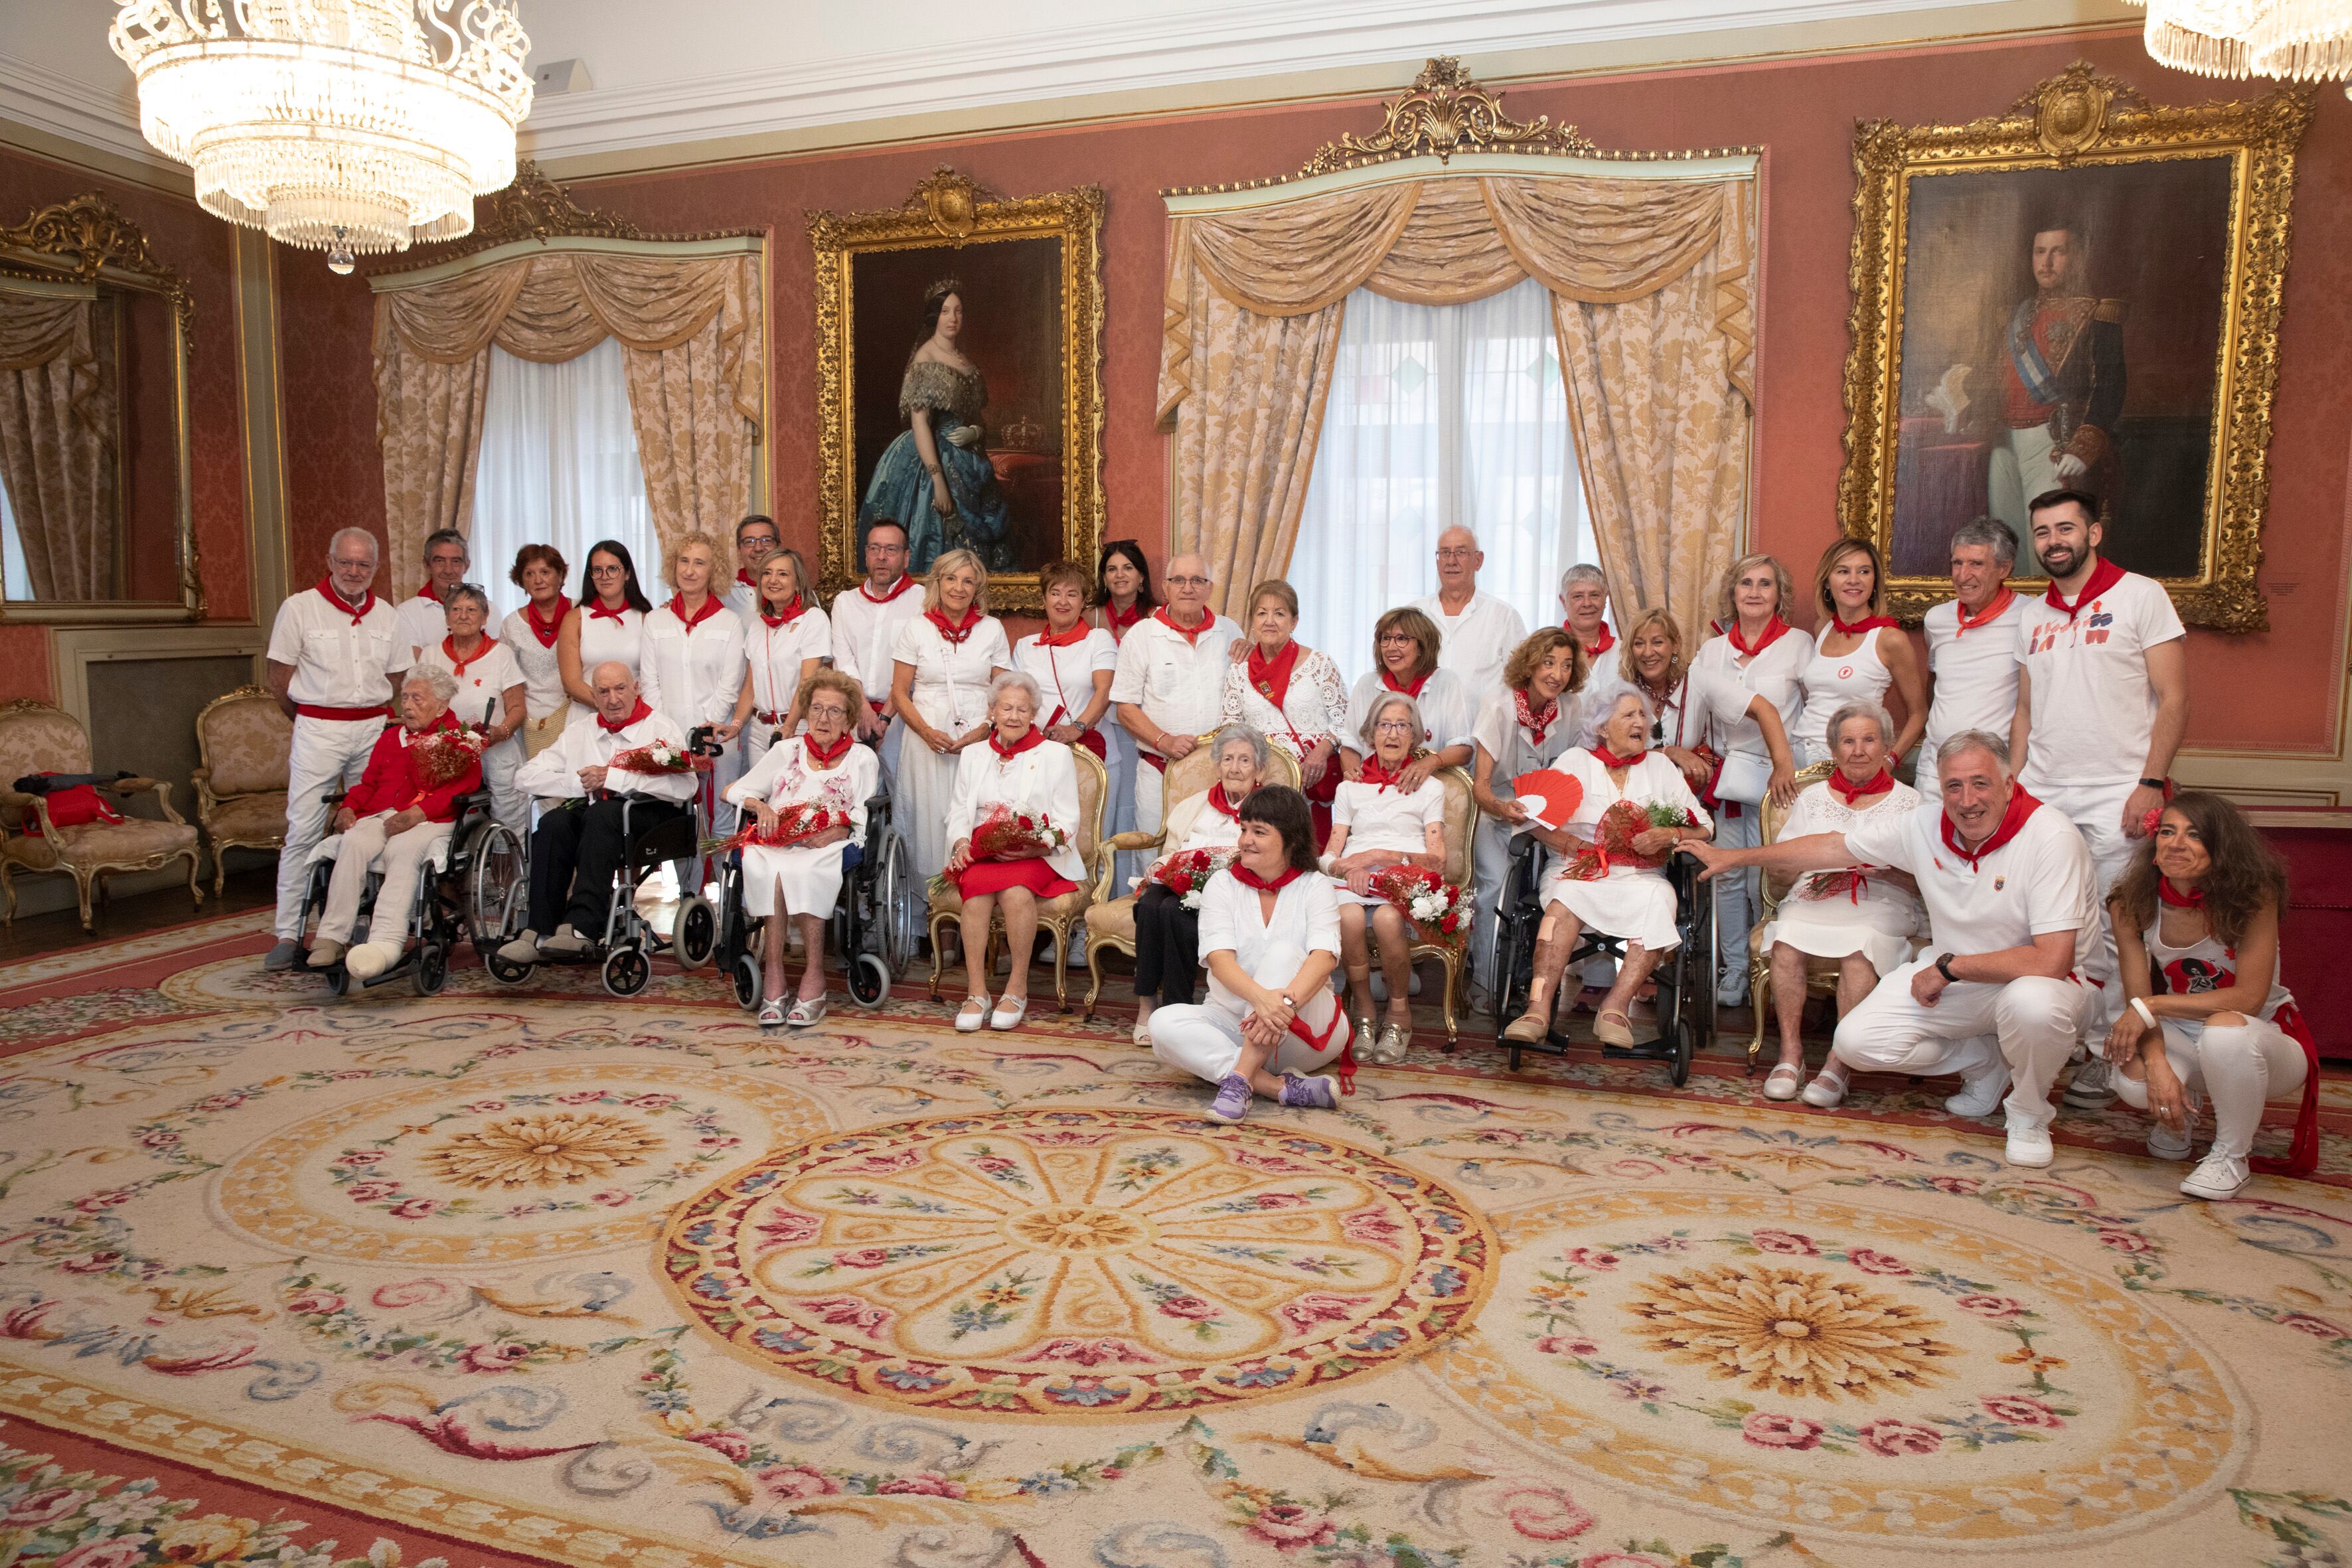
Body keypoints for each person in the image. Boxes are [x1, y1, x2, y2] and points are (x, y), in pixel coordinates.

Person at [1687, 730, 2098, 1168]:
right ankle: (1983, 1062)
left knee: (2031, 1005)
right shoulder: (1924, 825)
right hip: (1960, 980)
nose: (1966, 800)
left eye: (1980, 783)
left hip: (2043, 982)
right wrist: (1736, 857)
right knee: (1855, 1043)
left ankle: (2029, 1112)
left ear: (2008, 784)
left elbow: (2051, 960)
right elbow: (1832, 845)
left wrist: (1948, 968)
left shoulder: (2050, 835)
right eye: (1953, 787)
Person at [2011, 487, 2188, 1107]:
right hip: (2045, 792)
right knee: (2055, 923)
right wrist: (2015, 785)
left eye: (2065, 529)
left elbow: (2172, 698)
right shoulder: (2030, 616)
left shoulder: (2140, 595)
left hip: (2119, 792)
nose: (2052, 541)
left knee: (2119, 930)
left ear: (2093, 533)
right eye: (2041, 532)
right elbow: (2025, 710)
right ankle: (2061, 1042)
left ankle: (2105, 1054)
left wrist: (2149, 784)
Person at [2107, 791, 2318, 1198]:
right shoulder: (2130, 904)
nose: (2176, 843)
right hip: (2184, 1033)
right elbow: (2138, 1004)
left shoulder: (2254, 897)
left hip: (2264, 1038)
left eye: (2195, 835)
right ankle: (2182, 1111)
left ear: (2221, 849)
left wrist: (2153, 1004)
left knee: (2225, 1030)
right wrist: (2157, 1065)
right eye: (2167, 831)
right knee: (2132, 1079)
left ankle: (2231, 1155)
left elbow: (2248, 1000)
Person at [1502, 689, 1713, 1050]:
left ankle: (1615, 1008)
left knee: (1662, 899)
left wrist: (1669, 833)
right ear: (1602, 728)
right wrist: (1573, 846)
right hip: (1578, 867)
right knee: (1561, 904)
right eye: (1629, 715)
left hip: (1639, 874)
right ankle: (1537, 1010)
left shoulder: (1661, 768)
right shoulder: (1574, 761)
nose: (1640, 723)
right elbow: (1532, 820)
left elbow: (1705, 826)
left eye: (1643, 717)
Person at [1753, 702, 1924, 1103]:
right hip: (1815, 894)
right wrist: (1783, 868)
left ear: (1887, 746)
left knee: (1859, 945)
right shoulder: (1811, 800)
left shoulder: (1911, 803)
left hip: (1882, 899)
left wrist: (1888, 872)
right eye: (1848, 741)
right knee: (1788, 937)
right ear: (1834, 749)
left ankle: (1839, 1061)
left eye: (1869, 740)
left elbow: (1924, 880)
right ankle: (1791, 1053)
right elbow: (1785, 864)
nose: (1859, 750)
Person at [1147, 783, 1345, 1123]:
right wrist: (1262, 1000)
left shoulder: (1316, 886)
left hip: (1303, 1025)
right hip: (1234, 1022)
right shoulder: (1222, 884)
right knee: (1162, 1024)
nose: (1244, 840)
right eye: (1243, 829)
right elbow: (1219, 959)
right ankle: (1275, 1086)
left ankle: (1238, 1081)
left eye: (1259, 832)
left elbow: (1324, 957)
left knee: (1283, 952)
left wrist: (1280, 1005)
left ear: (1292, 840)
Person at [260, 527, 410, 972]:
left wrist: (372, 717)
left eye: (364, 565)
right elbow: (277, 678)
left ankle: (355, 927)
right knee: (304, 829)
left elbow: (398, 679)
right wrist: (311, 721)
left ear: (375, 569)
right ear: (329, 561)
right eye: (346, 562)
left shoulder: (387, 616)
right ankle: (289, 933)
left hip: (373, 730)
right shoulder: (299, 608)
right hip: (318, 729)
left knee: (372, 827)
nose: (354, 572)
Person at [500, 662, 698, 961]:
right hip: (595, 812)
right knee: (555, 821)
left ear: (635, 689)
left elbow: (686, 786)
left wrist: (614, 778)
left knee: (603, 814)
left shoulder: (660, 728)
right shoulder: (581, 730)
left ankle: (582, 927)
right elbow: (525, 776)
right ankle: (538, 930)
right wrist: (581, 783)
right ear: (594, 695)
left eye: (620, 689)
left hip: (650, 815)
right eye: (603, 692)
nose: (612, 699)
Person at [1689, 554, 1816, 1005]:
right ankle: (1735, 970)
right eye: (1746, 582)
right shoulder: (1711, 651)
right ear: (1732, 593)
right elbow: (1699, 720)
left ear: (1779, 594)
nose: (1755, 591)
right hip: (1728, 781)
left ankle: (1773, 964)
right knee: (1726, 877)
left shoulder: (1799, 644)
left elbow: (1813, 709)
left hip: (1781, 782)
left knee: (1772, 874)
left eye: (1765, 583)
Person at [722, 670, 879, 1028]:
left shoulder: (862, 759)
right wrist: (760, 806)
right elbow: (731, 791)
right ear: (806, 712)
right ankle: (774, 973)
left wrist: (837, 829)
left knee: (805, 869)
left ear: (849, 720)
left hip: (830, 843)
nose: (824, 718)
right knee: (764, 865)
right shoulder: (785, 750)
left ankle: (814, 976)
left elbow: (863, 814)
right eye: (817, 708)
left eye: (835, 711)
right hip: (778, 841)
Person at [305, 666, 483, 979]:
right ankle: (331, 937)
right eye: (405, 697)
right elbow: (368, 783)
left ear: (441, 706)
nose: (408, 705)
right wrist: (349, 808)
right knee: (355, 841)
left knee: (402, 849)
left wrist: (419, 813)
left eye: (418, 698)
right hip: (381, 814)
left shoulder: (459, 739)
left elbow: (463, 788)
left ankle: (385, 941)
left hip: (430, 820)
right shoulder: (391, 737)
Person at [943, 672, 1085, 1032]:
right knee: (974, 897)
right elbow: (960, 810)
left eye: (1023, 709)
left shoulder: (1055, 755)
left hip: (1037, 856)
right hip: (984, 851)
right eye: (1006, 707)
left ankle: (1016, 988)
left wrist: (1033, 847)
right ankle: (976, 993)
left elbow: (1068, 819)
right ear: (992, 710)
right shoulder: (974, 754)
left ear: (1034, 714)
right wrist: (961, 843)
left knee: (1016, 893)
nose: (1014, 716)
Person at [1979, 220, 2124, 551]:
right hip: (2005, 443)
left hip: (2054, 443)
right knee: (2006, 544)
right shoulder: (2013, 316)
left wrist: (2084, 447)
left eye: (2057, 252)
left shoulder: (2097, 314)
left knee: (2043, 549)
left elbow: (2110, 387)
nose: (2046, 263)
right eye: (2039, 252)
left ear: (2078, 258)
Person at [1326, 691, 1451, 1065]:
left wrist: (1380, 857)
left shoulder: (1430, 788)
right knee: (1347, 917)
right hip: (1355, 878)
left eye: (1402, 725)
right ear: (1371, 735)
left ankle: (1399, 1016)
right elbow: (1330, 855)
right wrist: (1348, 869)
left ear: (1415, 737)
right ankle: (1364, 1012)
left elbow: (1438, 860)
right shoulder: (1348, 788)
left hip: (1404, 875)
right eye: (1384, 725)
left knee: (1384, 918)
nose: (1392, 733)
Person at [858, 277, 1014, 573]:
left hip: (971, 460)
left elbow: (977, 418)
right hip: (930, 460)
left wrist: (975, 432)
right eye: (944, 311)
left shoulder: (965, 360)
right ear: (934, 316)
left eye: (958, 311)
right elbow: (920, 424)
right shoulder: (925, 358)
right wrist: (939, 482)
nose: (952, 318)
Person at [1467, 627, 1587, 1003]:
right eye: (1548, 662)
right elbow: (1480, 786)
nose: (1557, 674)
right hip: (1498, 809)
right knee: (1495, 892)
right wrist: (1503, 809)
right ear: (1530, 664)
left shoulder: (1571, 708)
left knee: (1558, 886)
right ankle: (1486, 983)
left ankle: (1532, 982)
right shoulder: (1499, 704)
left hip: (1550, 814)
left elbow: (1574, 770)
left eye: (1566, 666)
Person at [1131, 724, 1267, 1044]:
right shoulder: (1194, 804)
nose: (1235, 768)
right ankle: (1146, 1005)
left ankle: (1176, 1010)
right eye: (1228, 759)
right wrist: (1160, 866)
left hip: (1237, 895)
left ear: (1259, 767)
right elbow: (1172, 851)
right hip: (1184, 886)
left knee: (1172, 912)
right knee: (1151, 903)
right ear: (1217, 765)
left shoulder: (1269, 809)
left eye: (1244, 760)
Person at [892, 548, 1013, 885]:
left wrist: (983, 731)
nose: (959, 588)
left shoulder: (993, 629)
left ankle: (976, 904)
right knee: (927, 822)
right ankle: (928, 914)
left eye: (968, 581)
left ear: (978, 589)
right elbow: (900, 693)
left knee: (978, 815)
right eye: (951, 579)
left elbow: (1003, 690)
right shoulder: (916, 628)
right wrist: (927, 732)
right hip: (924, 738)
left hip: (979, 740)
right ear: (938, 582)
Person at [1111, 552, 1244, 845]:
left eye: (1198, 580)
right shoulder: (1141, 636)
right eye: (1179, 580)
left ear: (1210, 588)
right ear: (1166, 587)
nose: (1188, 588)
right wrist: (1164, 741)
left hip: (1219, 773)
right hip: (1160, 772)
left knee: (1217, 854)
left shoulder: (1230, 631)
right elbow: (1125, 708)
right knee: (1155, 856)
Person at [1219, 580, 1348, 837]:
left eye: (1279, 613)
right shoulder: (1239, 670)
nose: (1270, 621)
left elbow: (1345, 722)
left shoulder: (1320, 664)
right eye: (1262, 613)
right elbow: (1230, 729)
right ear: (1252, 620)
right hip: (1261, 785)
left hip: (1311, 782)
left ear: (1294, 621)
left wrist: (1321, 752)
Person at [1790, 539, 1924, 767]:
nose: (1854, 580)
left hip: (1849, 761)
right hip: (1799, 751)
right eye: (1843, 571)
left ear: (1874, 582)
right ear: (1827, 583)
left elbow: (1919, 714)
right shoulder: (1822, 628)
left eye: (1864, 571)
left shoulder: (1890, 639)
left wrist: (1890, 762)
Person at [417, 584, 526, 838]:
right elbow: (418, 707)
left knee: (507, 825)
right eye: (455, 609)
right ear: (446, 617)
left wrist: (503, 731)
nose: (463, 616)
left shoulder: (501, 655)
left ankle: (509, 873)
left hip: (496, 749)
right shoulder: (430, 655)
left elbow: (518, 707)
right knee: (445, 822)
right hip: (445, 755)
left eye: (471, 610)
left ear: (485, 617)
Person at [1920, 518, 2024, 768]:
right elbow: (1934, 682)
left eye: (1976, 564)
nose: (1963, 575)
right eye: (1957, 563)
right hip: (1935, 766)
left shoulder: (2029, 617)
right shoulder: (1936, 619)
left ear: (2004, 569)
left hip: (1992, 768)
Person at [1087, 540, 1157, 887]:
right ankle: (1102, 895)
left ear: (1142, 577)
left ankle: (1132, 888)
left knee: (1134, 808)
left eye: (1128, 568)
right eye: (1112, 569)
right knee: (1103, 809)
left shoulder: (1158, 618)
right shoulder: (1090, 618)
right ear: (1103, 577)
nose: (1120, 575)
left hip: (1143, 726)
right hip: (1099, 728)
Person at [1340, 607, 1474, 789]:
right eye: (1385, 639)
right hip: (1373, 789)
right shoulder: (1367, 684)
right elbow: (1350, 744)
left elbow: (1463, 749)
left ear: (1422, 646)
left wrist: (1428, 763)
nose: (1391, 647)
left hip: (1425, 790)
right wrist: (1356, 783)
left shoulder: (1446, 682)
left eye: (1402, 639)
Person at [830, 518, 923, 772]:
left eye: (891, 550)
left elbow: (915, 666)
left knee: (901, 800)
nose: (881, 557)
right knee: (853, 796)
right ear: (866, 555)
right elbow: (844, 662)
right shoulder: (845, 602)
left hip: (903, 717)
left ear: (906, 557)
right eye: (874, 549)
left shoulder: (923, 601)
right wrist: (864, 711)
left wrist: (884, 718)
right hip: (853, 715)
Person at [734, 548, 831, 768]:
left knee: (792, 798)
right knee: (760, 798)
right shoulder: (759, 624)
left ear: (798, 583)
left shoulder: (813, 619)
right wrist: (736, 725)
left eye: (783, 574)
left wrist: (790, 726)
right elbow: (750, 686)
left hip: (798, 728)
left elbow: (807, 682)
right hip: (759, 732)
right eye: (767, 573)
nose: (773, 580)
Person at [1012, 560, 1117, 761]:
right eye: (1055, 593)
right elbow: (1015, 699)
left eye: (1072, 594)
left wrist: (1075, 729)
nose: (1063, 601)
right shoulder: (1025, 647)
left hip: (1092, 754)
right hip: (1040, 754)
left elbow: (1105, 690)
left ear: (1084, 601)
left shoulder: (1098, 639)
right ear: (1044, 599)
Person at [1412, 526, 1527, 698]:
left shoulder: (1503, 616)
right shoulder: (1416, 614)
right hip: (1423, 723)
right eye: (1445, 552)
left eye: (1461, 552)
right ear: (1437, 561)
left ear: (1478, 560)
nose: (1451, 561)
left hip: (1484, 723)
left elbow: (1521, 679)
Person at [558, 540, 651, 724]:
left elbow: (652, 678)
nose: (604, 576)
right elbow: (571, 683)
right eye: (597, 570)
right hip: (587, 718)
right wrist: (611, 706)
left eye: (613, 569)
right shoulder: (574, 619)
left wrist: (626, 710)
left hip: (635, 718)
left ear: (627, 574)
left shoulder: (646, 618)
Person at [500, 544, 572, 759]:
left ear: (560, 575)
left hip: (579, 715)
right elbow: (507, 682)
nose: (538, 580)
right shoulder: (511, 625)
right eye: (529, 574)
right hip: (533, 724)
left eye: (545, 572)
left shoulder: (580, 612)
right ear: (521, 581)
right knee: (543, 786)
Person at [393, 528, 471, 660]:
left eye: (456, 561)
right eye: (440, 561)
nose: (448, 570)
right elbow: (417, 667)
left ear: (467, 566)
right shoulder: (406, 612)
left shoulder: (487, 609)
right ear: (427, 565)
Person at [724, 514, 779, 627]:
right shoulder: (724, 594)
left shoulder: (797, 590)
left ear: (778, 547)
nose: (758, 548)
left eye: (766, 540)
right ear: (739, 550)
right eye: (750, 541)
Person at [1559, 564, 1616, 663]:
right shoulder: (1546, 650)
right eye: (1578, 596)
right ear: (1564, 602)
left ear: (1605, 599)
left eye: (1594, 595)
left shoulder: (1626, 652)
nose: (1587, 603)